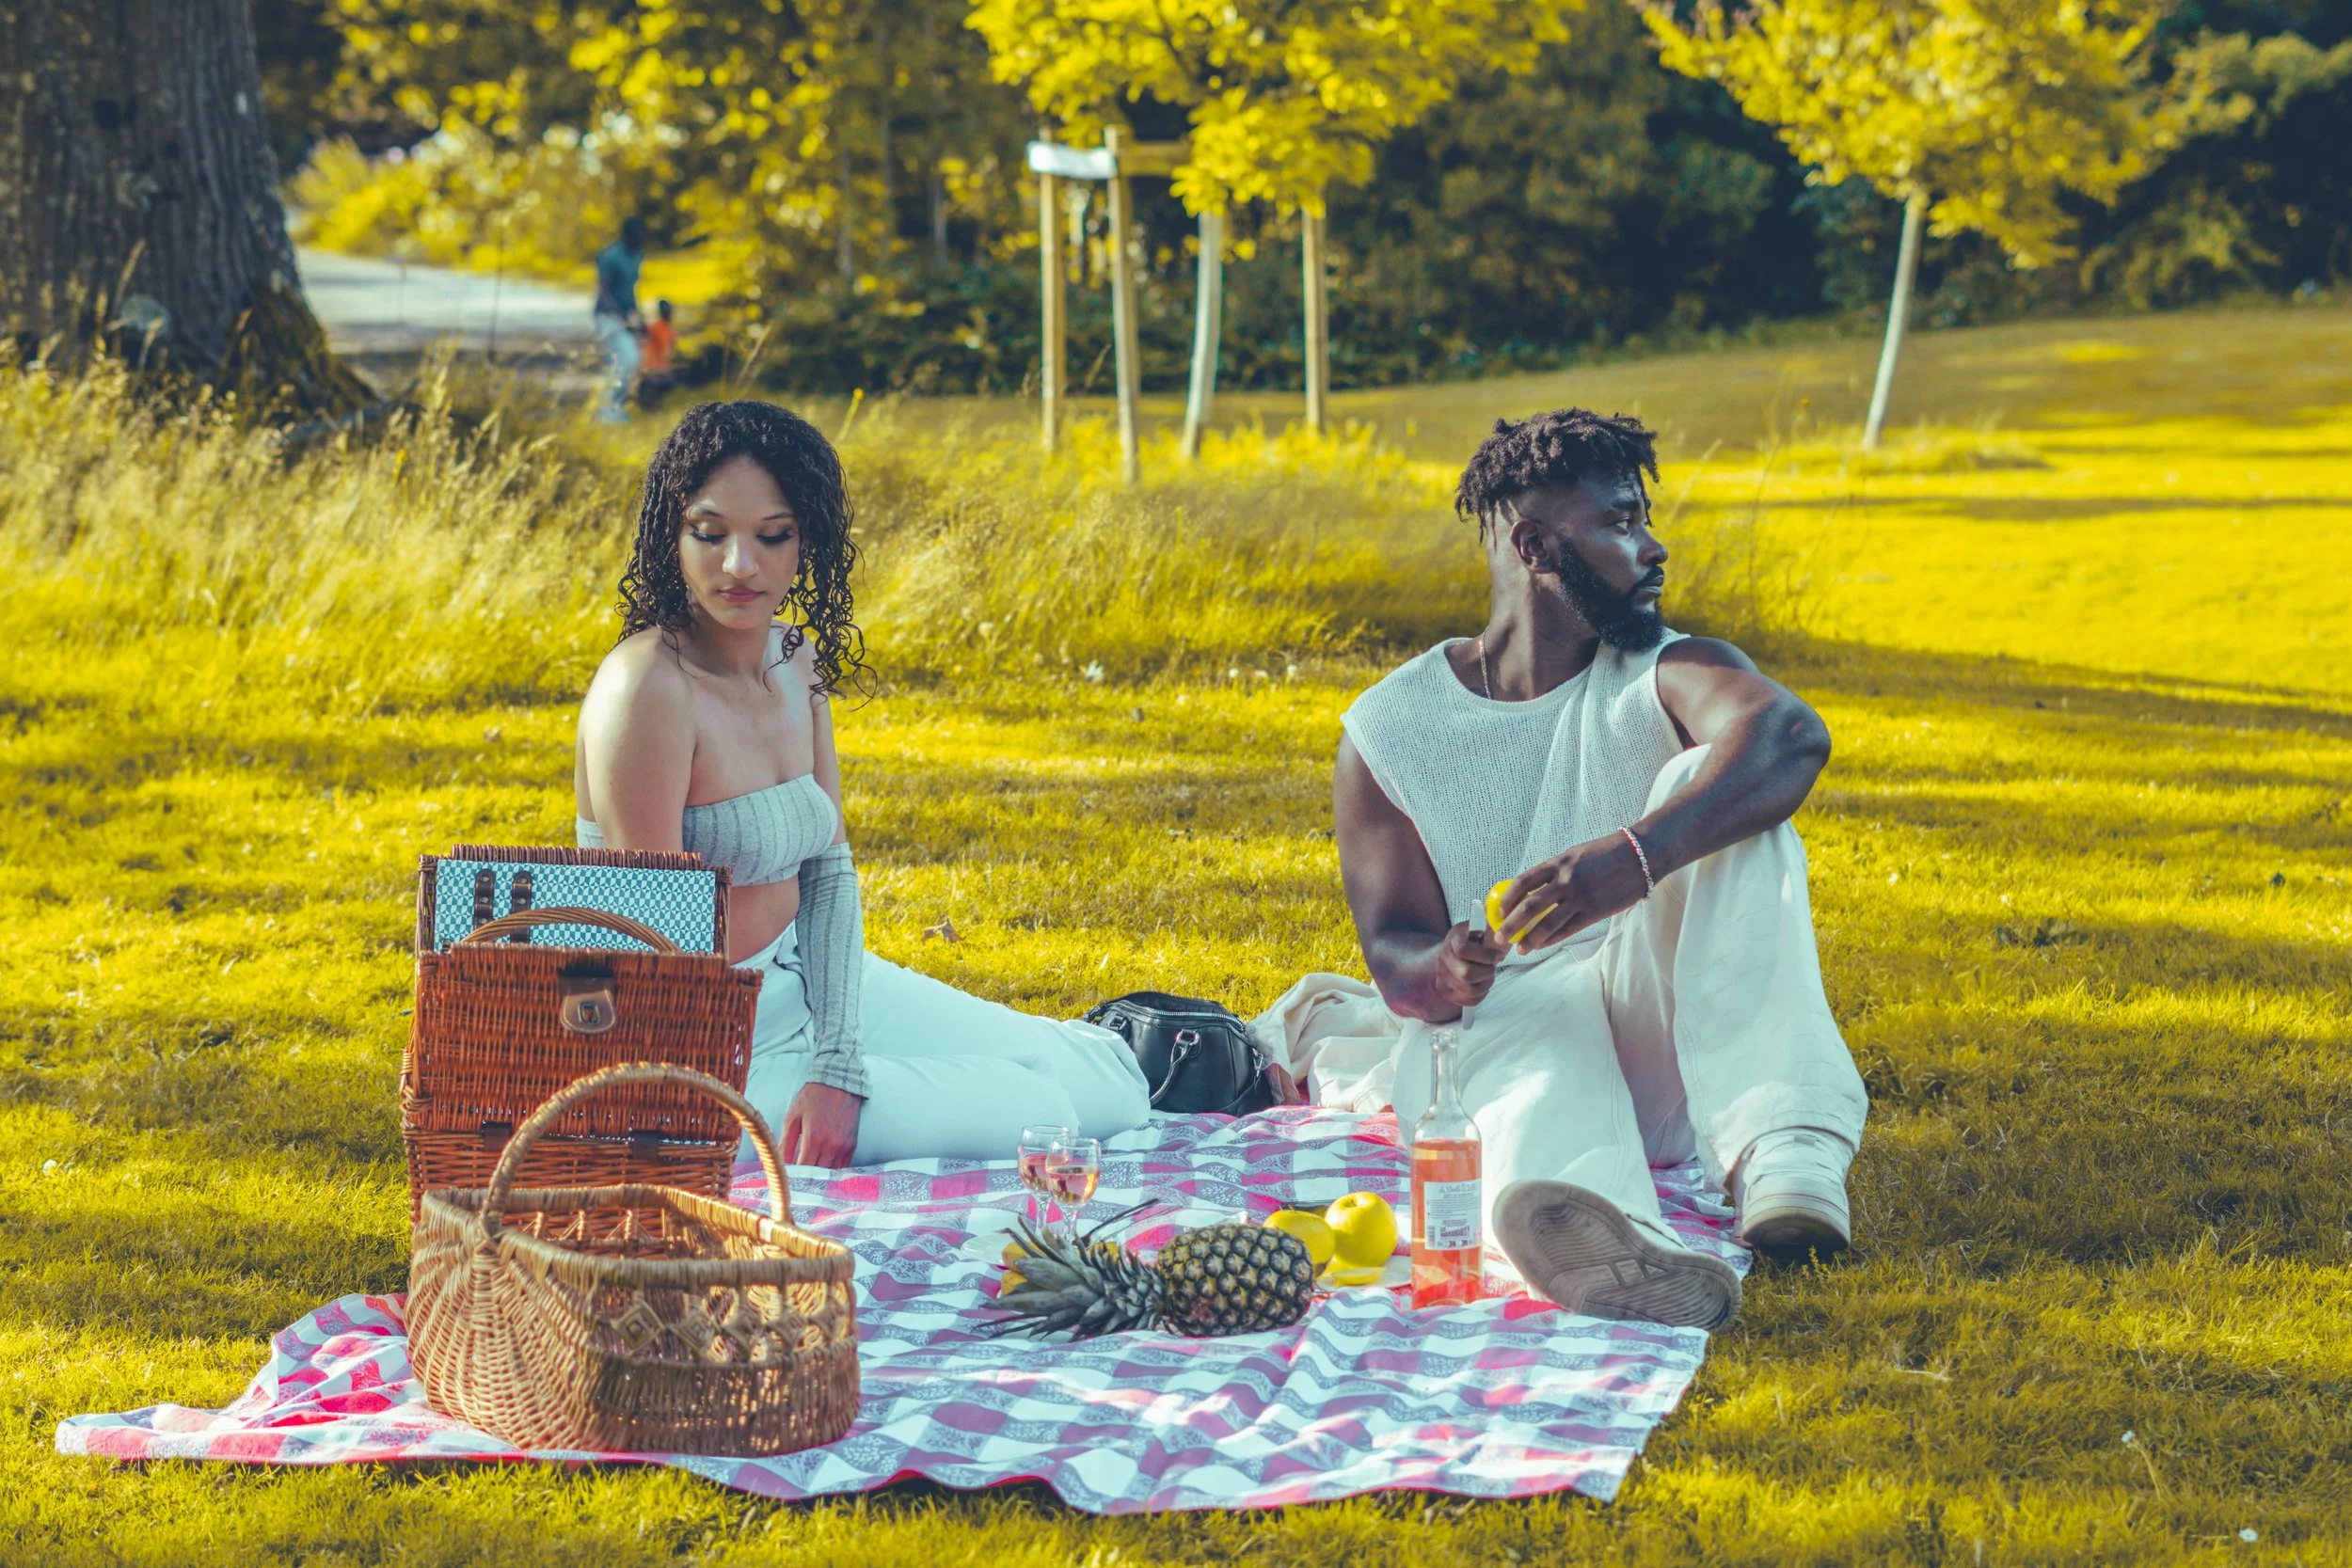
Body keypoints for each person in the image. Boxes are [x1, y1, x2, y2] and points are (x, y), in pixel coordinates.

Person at [1332, 408, 1868, 1330]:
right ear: (1534, 544)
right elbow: (1394, 957)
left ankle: (1787, 1154)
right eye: (1620, 522)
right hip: (1492, 1034)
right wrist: (1450, 970)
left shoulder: (1666, 670)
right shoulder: (1390, 729)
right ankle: (1605, 1239)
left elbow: (1788, 734)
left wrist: (1634, 857)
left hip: (1661, 1041)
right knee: (1523, 1023)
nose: (1653, 548)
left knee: (1721, 782)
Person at [573, 400, 1152, 1165]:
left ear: (804, 541)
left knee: (1114, 1087)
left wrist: (839, 1059)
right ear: (670, 536)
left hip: (810, 984)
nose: (739, 565)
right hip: (695, 1057)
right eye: (709, 534)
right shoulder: (646, 689)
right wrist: (816, 1079)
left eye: (770, 536)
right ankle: (947, 1084)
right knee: (1046, 1109)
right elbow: (656, 959)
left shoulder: (794, 660)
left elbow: (831, 873)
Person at [591, 218, 648, 423]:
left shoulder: (638, 255)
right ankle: (608, 410)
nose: (643, 237)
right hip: (608, 317)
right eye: (639, 233)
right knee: (624, 360)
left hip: (625, 315)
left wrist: (638, 318)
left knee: (631, 361)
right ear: (629, 235)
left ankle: (614, 408)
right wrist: (619, 313)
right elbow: (603, 290)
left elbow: (630, 289)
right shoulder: (611, 256)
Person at [639, 299, 678, 399]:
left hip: (664, 365)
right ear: (661, 312)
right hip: (653, 365)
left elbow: (672, 346)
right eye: (665, 310)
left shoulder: (670, 329)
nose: (668, 312)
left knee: (669, 382)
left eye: (669, 310)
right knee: (656, 383)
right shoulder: (655, 326)